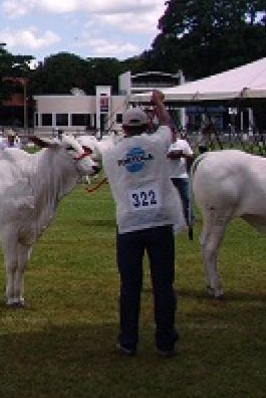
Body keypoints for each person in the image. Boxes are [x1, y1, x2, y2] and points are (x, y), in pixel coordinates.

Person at [102, 91, 184, 358]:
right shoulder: (157, 143)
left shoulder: (112, 154)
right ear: (146, 125)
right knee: (163, 285)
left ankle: (128, 340)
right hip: (159, 220)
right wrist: (158, 103)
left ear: (124, 128)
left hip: (128, 224)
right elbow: (169, 127)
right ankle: (165, 342)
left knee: (129, 286)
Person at [167, 134, 195, 232]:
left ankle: (189, 219)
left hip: (181, 175)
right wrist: (170, 155)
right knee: (168, 201)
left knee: (186, 198)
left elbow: (191, 156)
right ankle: (169, 221)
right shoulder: (163, 144)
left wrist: (182, 154)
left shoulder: (182, 143)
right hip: (168, 176)